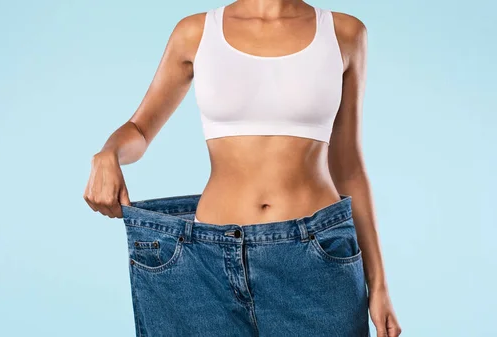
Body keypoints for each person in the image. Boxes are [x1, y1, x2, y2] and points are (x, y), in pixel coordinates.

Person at [84, 0, 401, 336]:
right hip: (206, 263)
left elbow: (349, 165)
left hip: (314, 260)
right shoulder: (195, 32)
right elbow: (140, 129)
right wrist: (109, 152)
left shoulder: (343, 33)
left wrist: (378, 285)